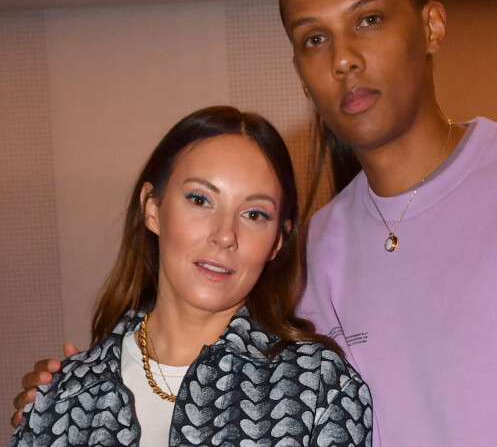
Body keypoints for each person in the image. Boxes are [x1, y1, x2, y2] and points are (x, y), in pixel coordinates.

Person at [13, 0, 497, 445]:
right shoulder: (311, 249)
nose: (343, 59)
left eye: (368, 19)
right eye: (315, 38)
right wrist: (67, 395)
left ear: (431, 26)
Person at [9, 105, 372, 446]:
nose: (225, 235)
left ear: (276, 242)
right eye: (200, 200)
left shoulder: (321, 387)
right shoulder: (66, 394)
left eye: (254, 214)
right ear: (152, 208)